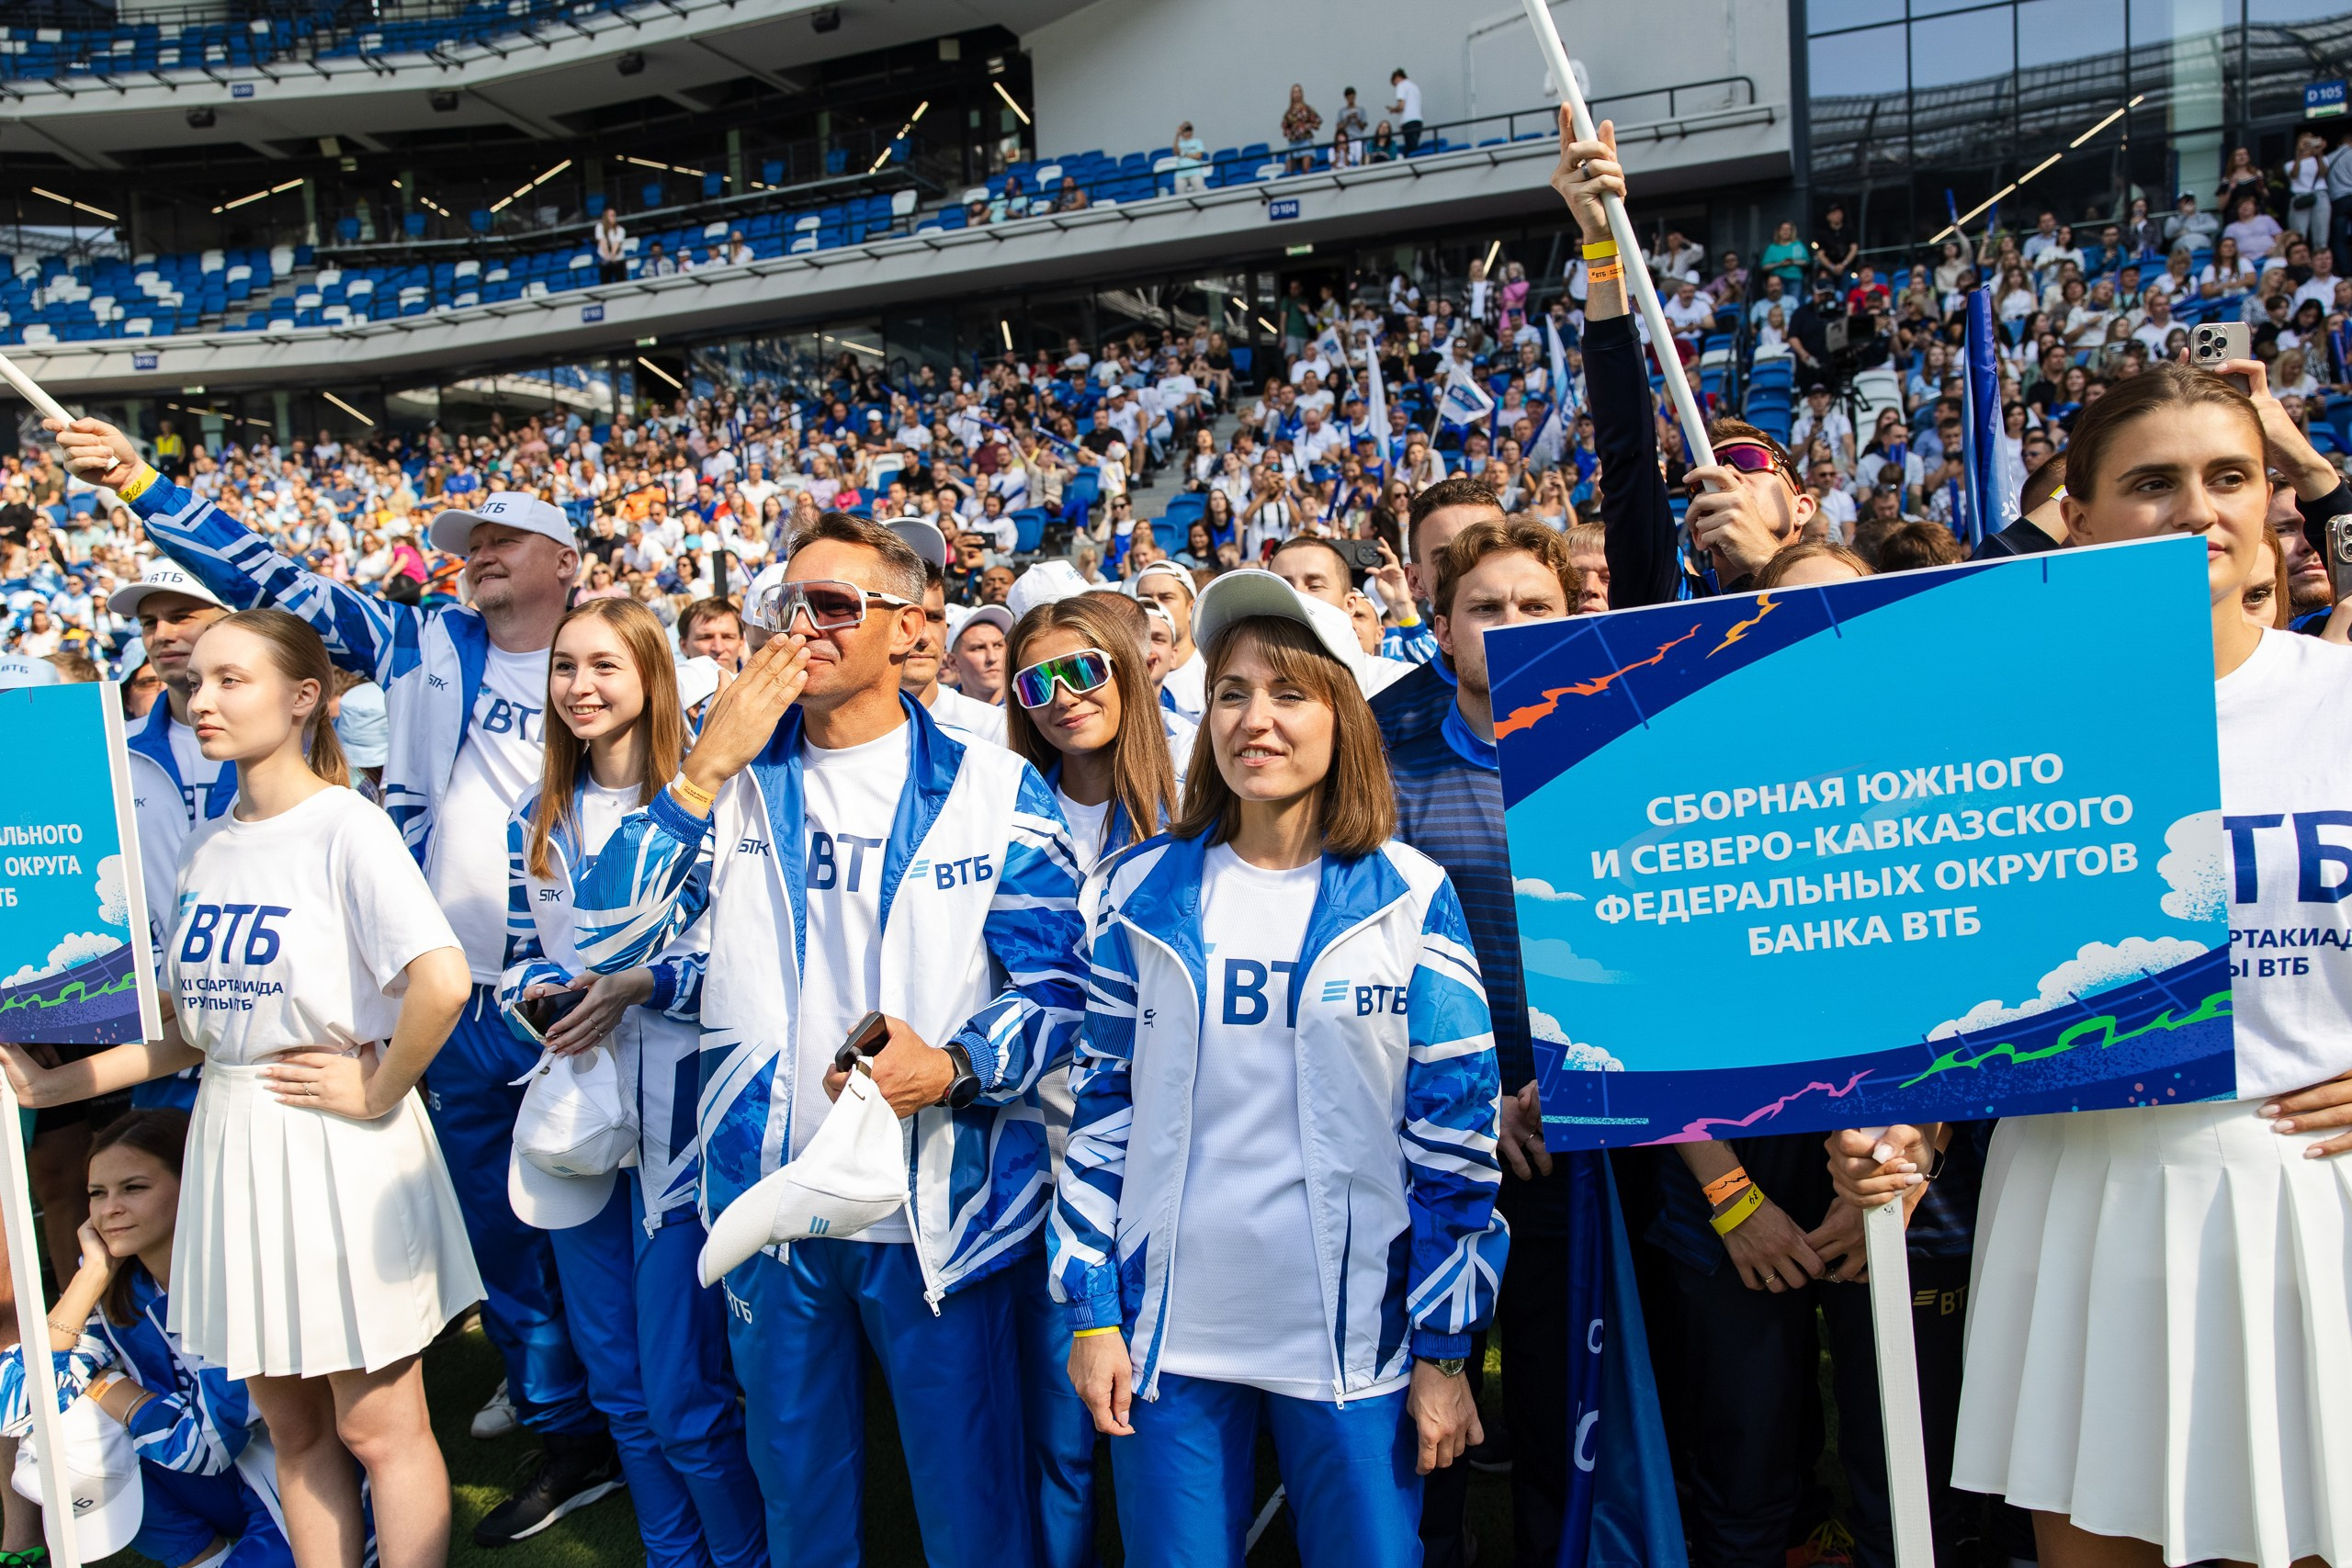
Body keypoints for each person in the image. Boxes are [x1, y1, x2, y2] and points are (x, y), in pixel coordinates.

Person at [48, 416, 621, 1543]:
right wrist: (143, 484)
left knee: (605, 1239)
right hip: (436, 1006)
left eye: (509, 538)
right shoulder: (425, 646)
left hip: (578, 989)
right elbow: (274, 583)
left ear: (567, 562)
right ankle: (566, 1428)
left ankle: (651, 1433)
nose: (481, 553)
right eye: (471, 542)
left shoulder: (612, 662)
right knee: (502, 1241)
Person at [1833, 359, 2352, 1568]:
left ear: (2271, 497)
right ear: (2081, 516)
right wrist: (1901, 1128)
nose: (2197, 507)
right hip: (2083, 1195)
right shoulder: (2001, 728)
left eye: (2229, 475)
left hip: (2308, 1193)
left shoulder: (2340, 699)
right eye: (2153, 481)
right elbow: (1951, 995)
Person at [572, 513, 1088, 1562]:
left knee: (968, 1507)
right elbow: (602, 930)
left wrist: (951, 1065)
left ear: (907, 632)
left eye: (835, 606)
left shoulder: (997, 787)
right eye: (785, 606)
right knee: (801, 1501)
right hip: (774, 1199)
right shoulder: (726, 782)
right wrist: (702, 770)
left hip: (935, 1203)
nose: (802, 627)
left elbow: (1061, 988)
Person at [4, 609, 478, 1568]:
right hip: (231, 1144)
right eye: (196, 682)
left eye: (232, 680)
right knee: (293, 1429)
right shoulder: (211, 843)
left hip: (333, 1144)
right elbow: (190, 1032)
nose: (202, 698)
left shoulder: (347, 825)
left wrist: (380, 1087)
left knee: (378, 1428)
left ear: (305, 698)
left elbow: (443, 979)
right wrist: (50, 1094)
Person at [1053, 569, 1506, 1568]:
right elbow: (1100, 1114)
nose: (1255, 720)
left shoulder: (1410, 894)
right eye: (1230, 693)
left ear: (1343, 714)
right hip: (1168, 1336)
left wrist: (1441, 1353)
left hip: (1354, 1343)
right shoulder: (1137, 887)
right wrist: (1091, 1316)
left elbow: (1457, 1143)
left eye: (1288, 693)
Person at [1000, 590, 1181, 1567]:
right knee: (1062, 1427)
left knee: (1165, 1421)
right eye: (1037, 681)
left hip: (1164, 1150)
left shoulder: (1200, 804)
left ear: (1130, 667)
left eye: (1085, 670)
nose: (1062, 696)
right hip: (1034, 1148)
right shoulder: (990, 805)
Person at [0, 1110, 293, 1568]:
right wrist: (90, 1276)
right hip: (212, 1486)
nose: (109, 1208)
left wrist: (107, 1387)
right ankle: (204, 1559)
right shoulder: (121, 1284)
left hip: (297, 1490)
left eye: (133, 1188)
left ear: (192, 1185)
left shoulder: (236, 1282)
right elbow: (14, 1404)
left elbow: (204, 1447)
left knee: (90, 1410)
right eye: (97, 1193)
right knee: (70, 1435)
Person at [948, 603, 1012, 705]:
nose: (992, 657)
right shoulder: (938, 715)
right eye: (979, 648)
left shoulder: (1031, 707)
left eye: (998, 645)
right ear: (953, 662)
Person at [1388, 67, 1424, 155]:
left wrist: (1393, 110)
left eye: (1394, 83)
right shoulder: (1415, 86)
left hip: (1408, 121)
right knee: (1414, 145)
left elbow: (1401, 106)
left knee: (1410, 148)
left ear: (1396, 78)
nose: (1395, 86)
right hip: (1418, 120)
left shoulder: (1401, 85)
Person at [594, 209, 629, 286]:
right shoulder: (600, 227)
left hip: (618, 259)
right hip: (605, 259)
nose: (614, 218)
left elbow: (617, 243)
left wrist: (613, 255)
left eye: (614, 215)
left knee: (621, 281)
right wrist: (607, 257)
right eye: (611, 215)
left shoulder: (620, 229)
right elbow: (602, 241)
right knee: (605, 281)